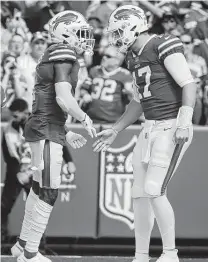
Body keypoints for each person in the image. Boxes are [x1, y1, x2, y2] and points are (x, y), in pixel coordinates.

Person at [93, 5, 197, 262]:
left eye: (118, 31)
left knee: (153, 188)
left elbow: (188, 83)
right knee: (139, 194)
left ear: (132, 27)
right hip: (149, 127)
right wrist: (116, 129)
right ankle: (140, 255)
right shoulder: (132, 56)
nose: (115, 38)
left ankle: (170, 254)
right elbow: (138, 101)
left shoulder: (162, 44)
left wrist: (184, 122)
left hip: (172, 125)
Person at [11, 10, 96, 262]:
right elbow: (61, 96)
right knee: (49, 190)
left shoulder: (53, 53)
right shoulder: (64, 52)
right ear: (65, 32)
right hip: (46, 130)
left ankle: (22, 244)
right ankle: (29, 253)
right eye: (80, 32)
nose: (84, 38)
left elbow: (47, 103)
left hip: (46, 127)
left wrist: (65, 132)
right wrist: (84, 117)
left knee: (39, 187)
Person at [80, 45, 133, 123]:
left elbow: (131, 98)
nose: (104, 57)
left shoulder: (125, 75)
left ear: (117, 61)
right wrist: (85, 95)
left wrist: (129, 92)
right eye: (104, 55)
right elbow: (84, 88)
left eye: (108, 56)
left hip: (113, 121)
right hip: (91, 118)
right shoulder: (94, 70)